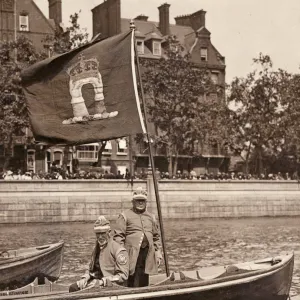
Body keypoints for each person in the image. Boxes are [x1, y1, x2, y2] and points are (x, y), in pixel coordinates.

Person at [113, 187, 163, 287]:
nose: (140, 203)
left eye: (143, 201)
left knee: (144, 276)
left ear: (146, 202)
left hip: (147, 252)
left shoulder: (151, 217)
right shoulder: (124, 216)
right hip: (130, 253)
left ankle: (144, 292)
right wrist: (120, 255)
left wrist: (158, 251)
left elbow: (156, 236)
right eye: (138, 201)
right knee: (131, 276)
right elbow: (118, 237)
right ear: (133, 202)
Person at [69, 216, 129, 292]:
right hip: (96, 281)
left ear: (109, 232)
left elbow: (123, 276)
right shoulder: (96, 248)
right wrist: (85, 278)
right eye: (98, 233)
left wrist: (102, 282)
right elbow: (90, 268)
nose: (100, 237)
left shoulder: (119, 250)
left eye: (103, 233)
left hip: (111, 285)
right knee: (73, 288)